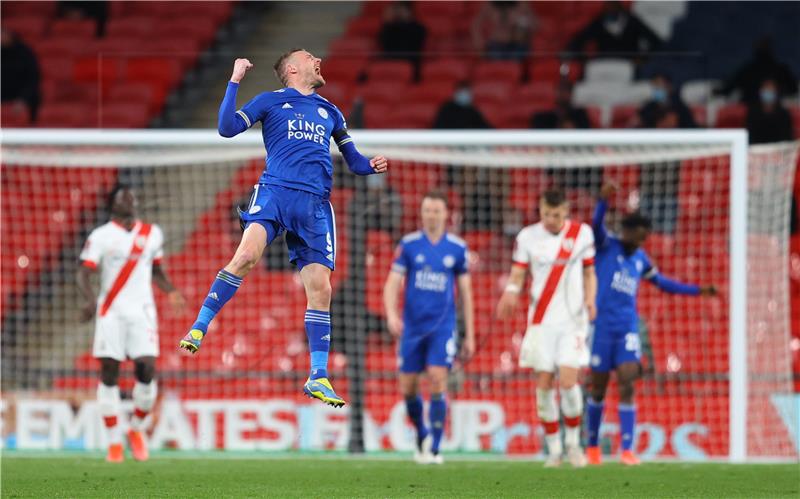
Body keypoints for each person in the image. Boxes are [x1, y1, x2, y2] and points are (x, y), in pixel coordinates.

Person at [178, 50, 389, 408]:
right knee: (245, 256)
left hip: (315, 205)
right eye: (309, 56)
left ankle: (318, 376)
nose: (318, 59)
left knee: (321, 289)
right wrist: (234, 81)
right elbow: (227, 128)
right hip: (276, 192)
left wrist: (370, 165)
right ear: (292, 69)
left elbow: (352, 161)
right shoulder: (270, 102)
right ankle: (199, 325)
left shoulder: (331, 111)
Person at [586, 183, 716, 466]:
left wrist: (697, 291)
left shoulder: (641, 259)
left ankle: (628, 450)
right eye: (638, 237)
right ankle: (593, 447)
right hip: (602, 328)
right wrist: (603, 202)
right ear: (628, 232)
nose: (641, 243)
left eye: (644, 239)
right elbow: (595, 225)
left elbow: (664, 284)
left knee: (628, 381)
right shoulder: (607, 245)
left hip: (627, 328)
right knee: (597, 387)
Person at [77, 185, 185, 463]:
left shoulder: (152, 234)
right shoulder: (101, 236)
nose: (130, 200)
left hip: (142, 311)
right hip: (110, 312)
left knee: (147, 368)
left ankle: (136, 429)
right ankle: (114, 443)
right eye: (124, 197)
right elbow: (84, 273)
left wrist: (171, 291)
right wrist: (90, 301)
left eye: (133, 197)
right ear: (113, 204)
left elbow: (157, 270)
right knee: (110, 373)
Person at [496, 189, 597, 468]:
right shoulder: (528, 237)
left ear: (565, 211)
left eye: (555, 214)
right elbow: (518, 273)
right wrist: (511, 291)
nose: (550, 219)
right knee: (543, 384)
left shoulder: (582, 234)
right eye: (545, 214)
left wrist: (590, 299)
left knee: (568, 381)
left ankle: (574, 445)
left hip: (573, 322)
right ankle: (553, 450)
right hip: (541, 322)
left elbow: (590, 273)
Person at [383, 191, 475, 464]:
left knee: (437, 378)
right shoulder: (409, 245)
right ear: (421, 213)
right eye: (427, 210)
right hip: (412, 327)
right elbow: (392, 282)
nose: (431, 215)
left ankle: (435, 447)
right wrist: (390, 314)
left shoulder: (457, 248)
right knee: (408, 387)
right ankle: (422, 433)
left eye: (436, 210)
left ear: (446, 214)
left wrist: (469, 333)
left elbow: (466, 293)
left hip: (442, 327)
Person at [567, 1, 661, 59]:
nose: (611, 7)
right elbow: (578, 41)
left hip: (629, 65)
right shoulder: (599, 22)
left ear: (620, 4)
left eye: (613, 3)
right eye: (608, 4)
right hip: (602, 64)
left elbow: (655, 41)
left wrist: (643, 58)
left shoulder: (632, 21)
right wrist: (585, 60)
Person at [719, 37, 797, 105]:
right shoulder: (781, 70)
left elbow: (727, 89)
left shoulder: (748, 70)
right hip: (769, 113)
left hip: (754, 112)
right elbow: (793, 90)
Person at [472, 1, 536, 60]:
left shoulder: (522, 4)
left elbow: (535, 24)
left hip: (517, 45)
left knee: (515, 65)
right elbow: (476, 24)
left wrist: (525, 26)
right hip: (496, 45)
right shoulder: (489, 5)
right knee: (498, 66)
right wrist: (478, 40)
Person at [378, 2, 426, 80]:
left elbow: (415, 45)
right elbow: (385, 45)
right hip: (390, 59)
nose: (399, 12)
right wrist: (389, 22)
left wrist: (404, 22)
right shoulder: (389, 28)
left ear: (410, 11)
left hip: (409, 59)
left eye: (402, 10)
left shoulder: (418, 27)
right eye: (397, 10)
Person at [1, 29, 40, 123]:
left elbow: (33, 79)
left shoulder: (24, 52)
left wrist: (23, 99)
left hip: (23, 94)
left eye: (3, 35)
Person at [746, 79, 795, 144]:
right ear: (760, 92)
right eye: (766, 89)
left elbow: (788, 139)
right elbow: (749, 138)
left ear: (776, 92)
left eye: (771, 90)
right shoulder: (753, 113)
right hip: (757, 150)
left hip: (779, 150)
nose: (768, 92)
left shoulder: (784, 114)